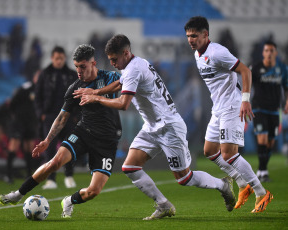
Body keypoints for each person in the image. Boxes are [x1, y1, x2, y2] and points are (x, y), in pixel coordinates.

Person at [74, 34, 236, 220]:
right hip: (152, 127)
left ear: (126, 53)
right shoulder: (136, 64)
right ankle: (163, 204)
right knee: (130, 167)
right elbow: (120, 83)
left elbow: (123, 104)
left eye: (114, 60)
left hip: (169, 127)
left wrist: (96, 98)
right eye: (110, 60)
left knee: (184, 178)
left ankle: (223, 185)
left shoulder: (134, 69)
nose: (112, 64)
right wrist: (96, 90)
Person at [0, 44, 122, 219]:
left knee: (94, 191)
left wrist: (95, 93)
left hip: (106, 141)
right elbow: (62, 117)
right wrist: (47, 140)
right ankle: (18, 193)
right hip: (83, 132)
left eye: (83, 66)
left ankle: (69, 201)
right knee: (55, 162)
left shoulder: (109, 77)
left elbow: (122, 84)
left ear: (93, 63)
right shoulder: (75, 88)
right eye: (76, 66)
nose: (79, 70)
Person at [183, 16, 273, 213]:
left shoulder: (218, 52)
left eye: (194, 36)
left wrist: (245, 100)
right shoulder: (198, 54)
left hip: (232, 106)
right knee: (209, 151)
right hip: (219, 107)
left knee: (229, 154)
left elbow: (245, 71)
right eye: (188, 36)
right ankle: (242, 183)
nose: (190, 39)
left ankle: (261, 192)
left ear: (206, 35)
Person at [34, 46, 78, 189]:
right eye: (56, 58)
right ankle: (51, 179)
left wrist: (76, 115)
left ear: (64, 58)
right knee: (50, 149)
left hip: (68, 116)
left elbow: (78, 96)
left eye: (61, 58)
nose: (59, 61)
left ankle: (69, 176)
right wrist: (41, 114)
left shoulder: (72, 75)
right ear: (52, 58)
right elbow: (38, 96)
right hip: (50, 116)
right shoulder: (44, 74)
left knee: (69, 147)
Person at [250, 41, 288, 182]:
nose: (269, 53)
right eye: (267, 50)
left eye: (272, 50)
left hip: (274, 110)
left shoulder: (282, 69)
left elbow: (286, 86)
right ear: (263, 53)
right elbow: (247, 83)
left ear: (276, 53)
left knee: (271, 142)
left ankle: (262, 170)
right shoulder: (256, 68)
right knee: (263, 138)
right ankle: (263, 171)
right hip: (259, 108)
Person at [3, 71, 40, 184]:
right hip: (19, 121)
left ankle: (29, 175)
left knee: (29, 148)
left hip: (30, 122)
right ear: (34, 77)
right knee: (14, 146)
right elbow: (13, 103)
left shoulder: (43, 91)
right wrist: (15, 117)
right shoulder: (26, 88)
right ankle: (8, 174)